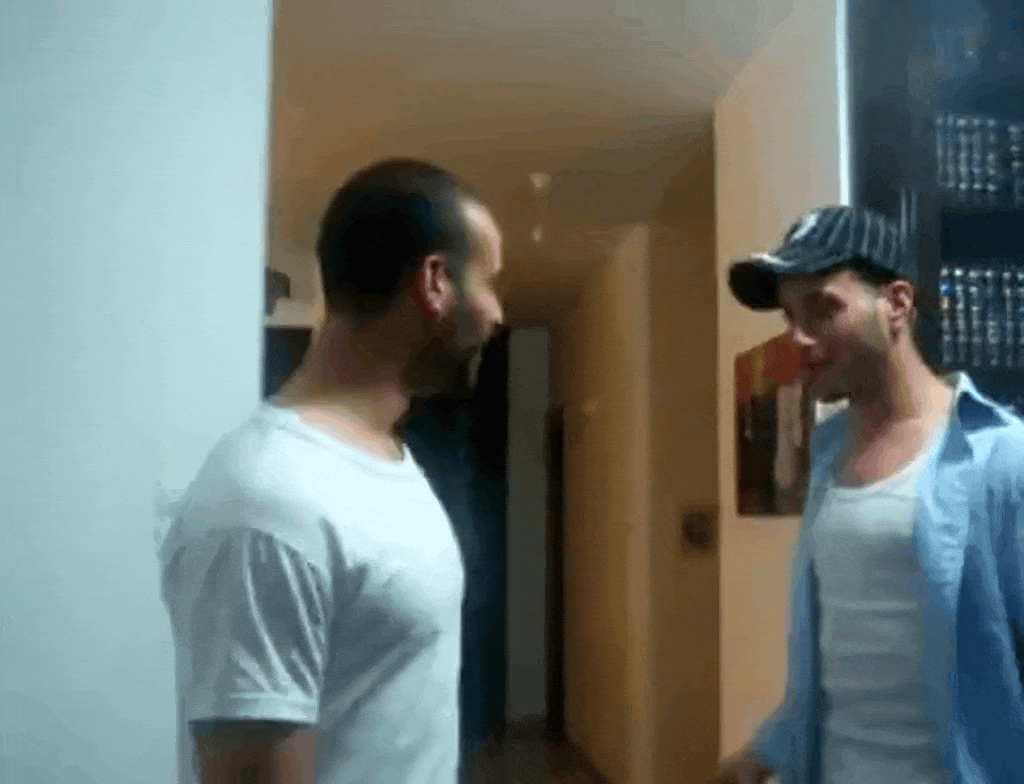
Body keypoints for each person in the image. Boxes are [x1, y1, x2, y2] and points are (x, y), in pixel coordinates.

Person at [158, 158, 505, 784]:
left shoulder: (384, 458)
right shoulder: (268, 501)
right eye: (489, 281)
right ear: (435, 282)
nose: (497, 312)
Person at [717, 205, 1024, 784]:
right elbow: (839, 661)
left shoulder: (1002, 457)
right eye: (789, 315)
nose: (797, 337)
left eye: (822, 307)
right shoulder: (827, 449)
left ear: (897, 304)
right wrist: (762, 755)